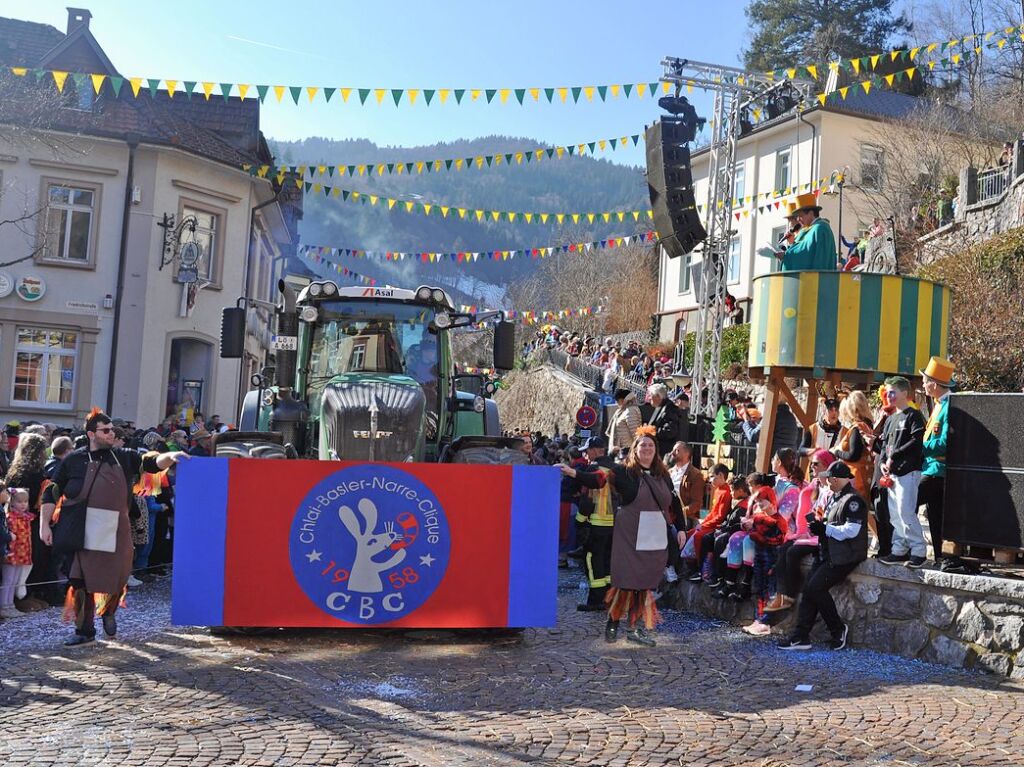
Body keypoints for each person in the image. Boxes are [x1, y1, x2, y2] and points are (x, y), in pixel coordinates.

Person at [39, 408, 190, 647]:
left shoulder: (124, 456)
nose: (112, 434)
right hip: (81, 527)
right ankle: (84, 630)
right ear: (91, 433)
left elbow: (150, 462)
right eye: (106, 430)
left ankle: (108, 612)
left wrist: (170, 457)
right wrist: (44, 525)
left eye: (112, 430)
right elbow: (51, 491)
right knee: (79, 581)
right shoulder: (73, 460)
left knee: (114, 578)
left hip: (115, 528)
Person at [586, 426, 681, 647]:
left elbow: (674, 502)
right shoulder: (622, 472)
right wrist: (573, 473)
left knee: (644, 583)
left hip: (654, 532)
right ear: (635, 450)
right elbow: (598, 481)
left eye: (650, 445)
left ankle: (634, 629)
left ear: (655, 450)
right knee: (627, 581)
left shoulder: (663, 474)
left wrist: (682, 528)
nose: (647, 448)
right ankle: (613, 620)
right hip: (629, 532)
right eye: (642, 445)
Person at [779, 462, 868, 651]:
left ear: (835, 479)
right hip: (828, 552)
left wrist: (824, 528)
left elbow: (852, 531)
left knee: (815, 588)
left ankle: (837, 629)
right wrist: (818, 525)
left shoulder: (853, 500)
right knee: (809, 589)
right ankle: (800, 637)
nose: (826, 481)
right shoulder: (835, 497)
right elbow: (830, 524)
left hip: (845, 555)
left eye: (828, 478)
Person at [766, 449, 836, 613]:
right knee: (780, 550)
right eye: (811, 464)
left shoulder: (831, 486)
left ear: (826, 465)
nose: (812, 467)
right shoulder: (815, 484)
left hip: (823, 535)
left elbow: (785, 513)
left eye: (816, 464)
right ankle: (778, 595)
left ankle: (787, 595)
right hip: (809, 531)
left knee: (789, 551)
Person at [873, 377, 928, 568]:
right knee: (895, 513)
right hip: (892, 474)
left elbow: (916, 441)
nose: (889, 396)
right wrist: (882, 464)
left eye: (893, 392)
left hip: (908, 471)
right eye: (887, 392)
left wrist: (895, 455)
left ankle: (919, 550)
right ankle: (899, 549)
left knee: (906, 511)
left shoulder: (914, 415)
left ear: (905, 393)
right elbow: (884, 446)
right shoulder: (890, 418)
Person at [562, 437, 616, 612]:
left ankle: (595, 600)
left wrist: (579, 522)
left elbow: (587, 500)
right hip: (614, 525)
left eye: (587, 450)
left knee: (593, 563)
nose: (585, 454)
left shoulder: (594, 469)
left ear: (596, 450)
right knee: (607, 564)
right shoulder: (615, 468)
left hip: (596, 524)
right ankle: (609, 598)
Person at [917, 356, 961, 571]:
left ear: (934, 384)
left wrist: (919, 447)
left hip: (938, 469)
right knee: (935, 515)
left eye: (925, 381)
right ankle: (939, 556)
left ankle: (913, 549)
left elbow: (945, 442)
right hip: (931, 468)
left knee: (907, 503)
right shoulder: (939, 405)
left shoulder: (949, 406)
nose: (923, 384)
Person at [4, 433, 51, 609]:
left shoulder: (17, 470)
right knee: (25, 561)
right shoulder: (27, 473)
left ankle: (26, 595)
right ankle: (20, 599)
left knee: (30, 561)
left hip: (27, 521)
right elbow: (21, 502)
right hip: (24, 523)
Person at [773, 193, 837, 271]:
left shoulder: (820, 228)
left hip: (817, 280)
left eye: (800, 216)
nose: (798, 220)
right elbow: (804, 250)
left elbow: (806, 254)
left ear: (810, 213)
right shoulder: (811, 229)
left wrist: (787, 256)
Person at [832, 392, 874, 500]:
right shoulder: (867, 425)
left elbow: (854, 455)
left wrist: (837, 452)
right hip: (865, 475)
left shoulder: (857, 428)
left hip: (856, 478)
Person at [1, 488, 33, 620]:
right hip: (11, 553)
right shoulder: (10, 518)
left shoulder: (26, 518)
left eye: (25, 501)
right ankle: (4, 606)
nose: (23, 504)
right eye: (20, 501)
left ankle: (11, 604)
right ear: (12, 502)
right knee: (8, 580)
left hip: (22, 553)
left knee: (15, 580)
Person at [645, 383, 684, 457]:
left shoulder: (670, 409)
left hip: (665, 452)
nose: (649, 398)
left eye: (650, 395)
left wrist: (652, 431)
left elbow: (670, 431)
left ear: (657, 396)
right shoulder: (660, 407)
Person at [605, 389, 642, 454]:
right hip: (620, 450)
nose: (616, 403)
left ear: (622, 400)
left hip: (627, 451)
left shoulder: (631, 410)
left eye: (617, 401)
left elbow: (636, 433)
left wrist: (635, 451)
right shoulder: (621, 411)